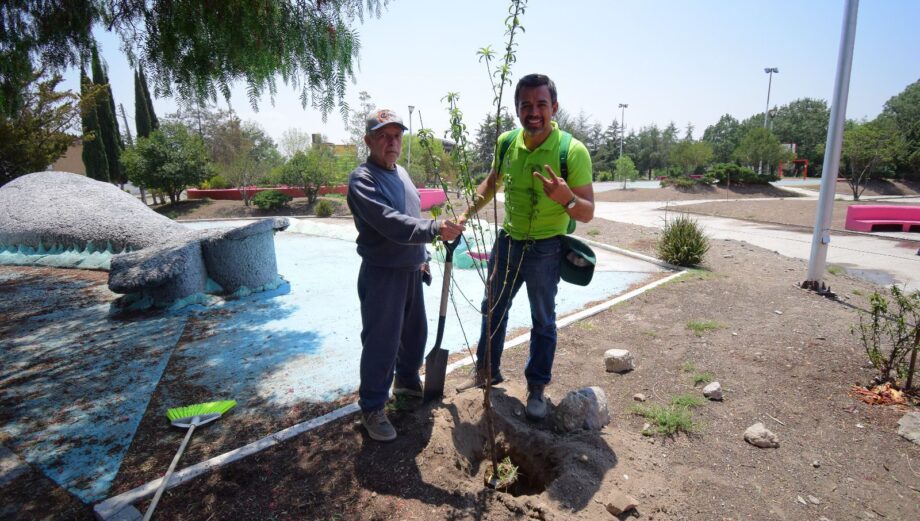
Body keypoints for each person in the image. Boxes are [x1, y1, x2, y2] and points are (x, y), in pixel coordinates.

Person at [457, 74, 595, 421]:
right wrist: (462, 215)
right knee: (493, 308)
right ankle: (487, 373)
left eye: (541, 105)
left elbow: (588, 211)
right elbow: (491, 183)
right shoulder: (506, 143)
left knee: (543, 319)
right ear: (517, 109)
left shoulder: (571, 151)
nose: (533, 112)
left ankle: (536, 388)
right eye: (525, 105)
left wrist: (566, 199)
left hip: (547, 248)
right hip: (507, 242)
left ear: (555, 107)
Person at [347, 109, 464, 442]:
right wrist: (434, 228)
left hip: (412, 269)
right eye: (383, 136)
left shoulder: (402, 174)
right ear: (369, 141)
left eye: (396, 135)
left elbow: (411, 212)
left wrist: (423, 257)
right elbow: (390, 222)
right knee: (382, 344)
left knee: (415, 336)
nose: (391, 142)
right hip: (383, 274)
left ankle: (407, 382)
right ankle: (372, 407)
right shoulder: (363, 180)